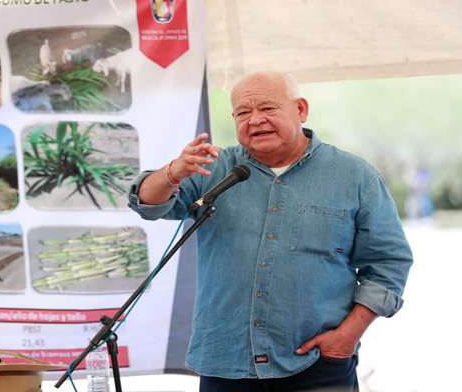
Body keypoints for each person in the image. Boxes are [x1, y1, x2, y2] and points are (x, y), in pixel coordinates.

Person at [128, 71, 413, 392]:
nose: (255, 120)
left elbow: (389, 264)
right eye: (243, 112)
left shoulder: (355, 175)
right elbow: (146, 204)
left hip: (316, 361)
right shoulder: (211, 167)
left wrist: (347, 337)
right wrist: (172, 173)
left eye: (268, 108)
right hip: (225, 361)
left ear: (301, 110)